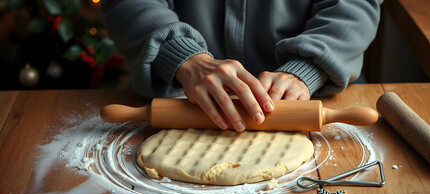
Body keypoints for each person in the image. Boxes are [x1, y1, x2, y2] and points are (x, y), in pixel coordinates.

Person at [100, 0, 382, 132]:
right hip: (178, 89)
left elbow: (354, 5)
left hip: (318, 89)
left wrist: (307, 67)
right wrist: (182, 55)